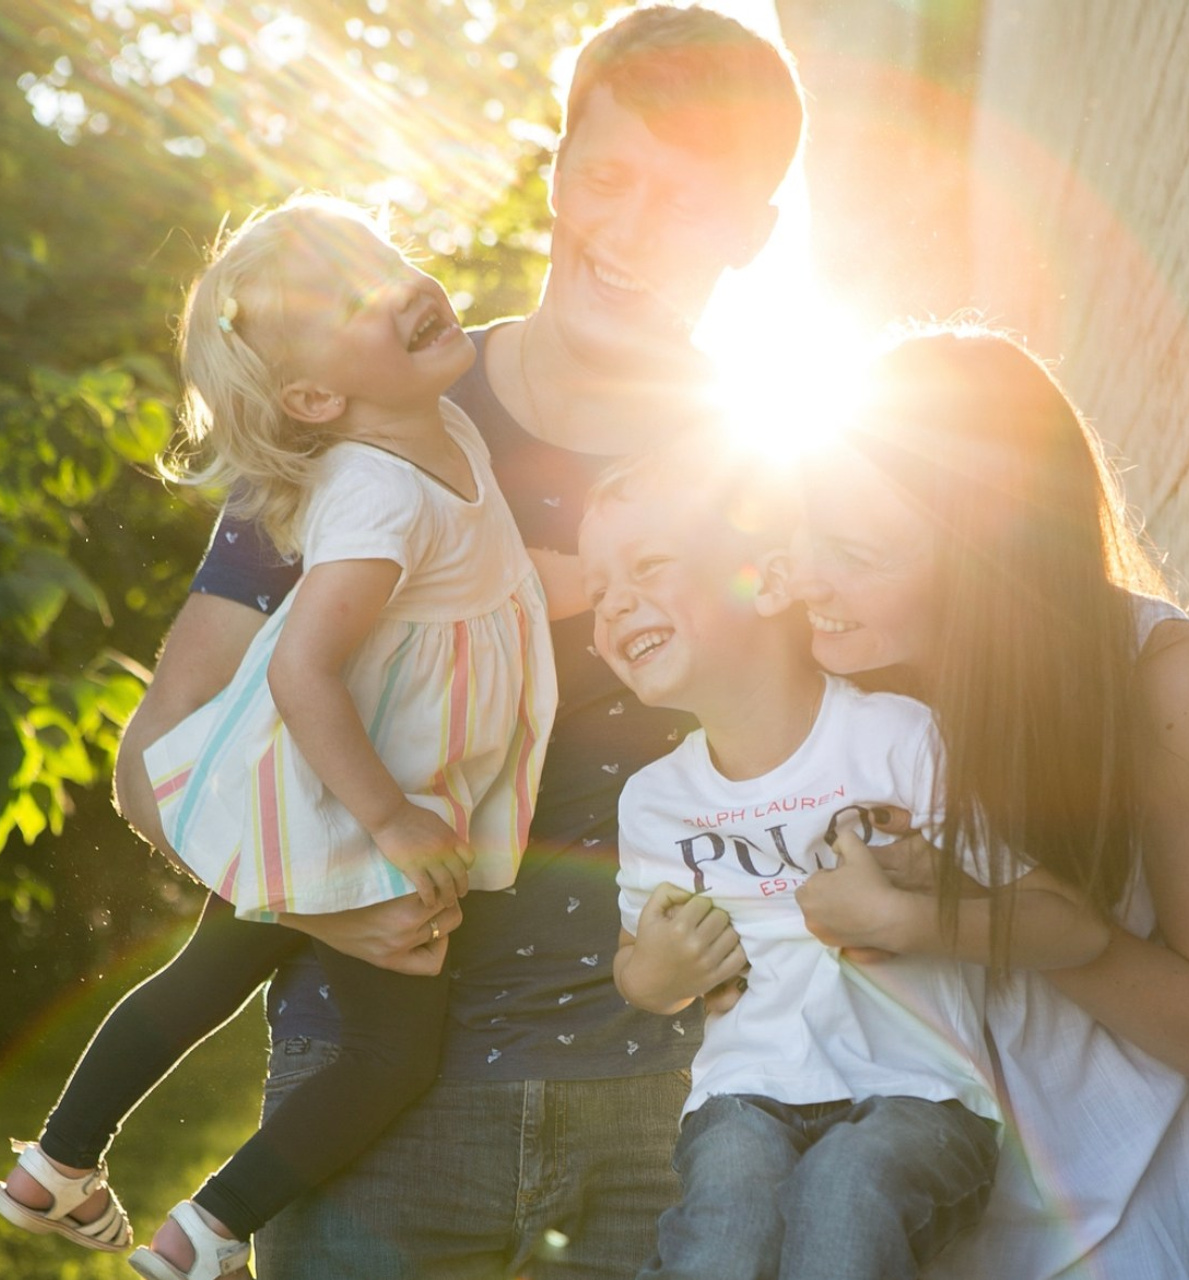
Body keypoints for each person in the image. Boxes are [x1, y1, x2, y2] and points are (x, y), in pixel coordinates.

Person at [109, 8, 805, 1278]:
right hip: (366, 1113)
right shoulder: (364, 420)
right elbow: (155, 756)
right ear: (555, 169)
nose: (632, 232)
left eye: (691, 204)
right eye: (607, 177)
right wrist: (320, 909)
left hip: (682, 1111)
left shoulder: (780, 470)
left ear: (753, 234)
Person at [0, 193, 555, 1280]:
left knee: (214, 965)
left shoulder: (441, 426)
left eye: (386, 259)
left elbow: (480, 576)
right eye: (352, 298)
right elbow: (303, 667)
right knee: (394, 1048)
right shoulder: (374, 496)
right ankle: (209, 1227)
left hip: (334, 783)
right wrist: (393, 822)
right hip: (351, 790)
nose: (401, 286)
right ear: (314, 395)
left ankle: (56, 1166)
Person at [787, 323, 1189, 1280]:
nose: (807, 579)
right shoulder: (838, 684)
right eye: (804, 529)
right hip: (929, 1207)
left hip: (1145, 1207)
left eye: (855, 551)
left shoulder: (1162, 681)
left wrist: (963, 920)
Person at [580, 440, 1126, 1279]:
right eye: (597, 591)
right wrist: (657, 971)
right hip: (743, 1098)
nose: (614, 606)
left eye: (648, 566)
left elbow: (1070, 924)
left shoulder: (897, 738)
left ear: (767, 581)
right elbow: (643, 980)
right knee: (727, 1217)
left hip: (919, 1100)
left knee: (844, 1188)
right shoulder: (654, 800)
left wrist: (903, 918)